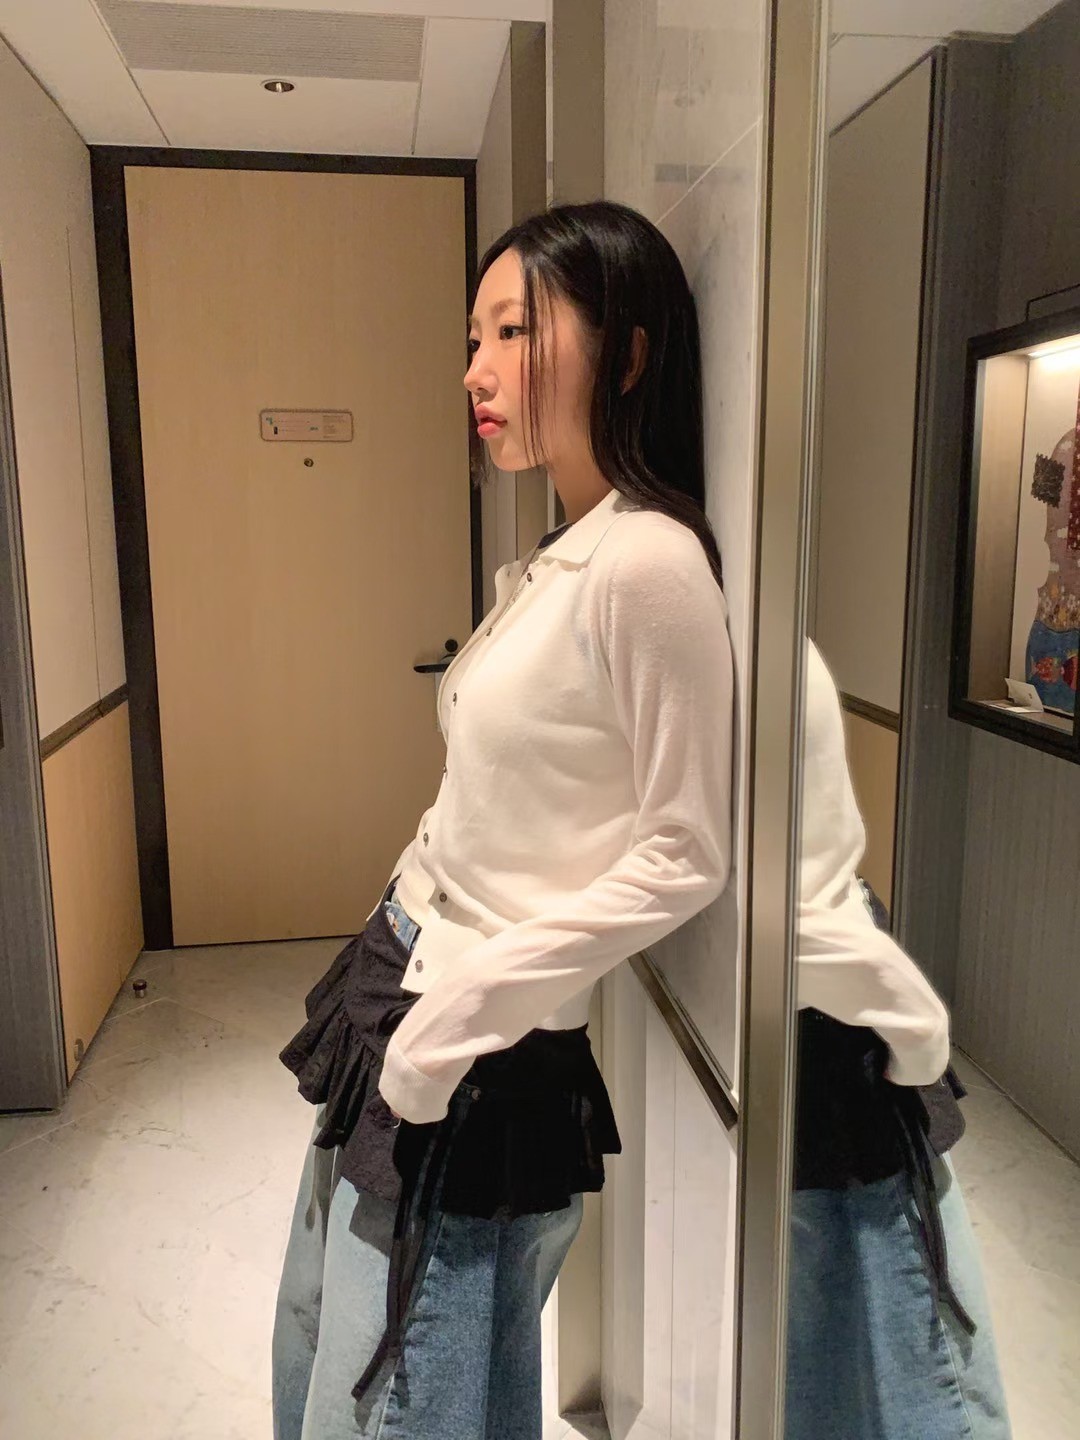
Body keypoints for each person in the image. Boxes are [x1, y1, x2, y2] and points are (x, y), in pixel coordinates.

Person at [272, 201, 734, 1440]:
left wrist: (463, 1012)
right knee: (323, 1333)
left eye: (513, 330)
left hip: (477, 1034)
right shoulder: (567, 550)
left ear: (627, 354)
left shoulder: (648, 563)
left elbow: (687, 852)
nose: (476, 370)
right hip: (409, 977)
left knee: (399, 1396)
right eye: (473, 337)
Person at [788, 638, 1012, 1440]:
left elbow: (799, 899)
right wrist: (916, 1038)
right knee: (841, 1328)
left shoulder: (748, 643)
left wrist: (916, 1038)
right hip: (818, 1015)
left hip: (837, 1023)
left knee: (896, 1341)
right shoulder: (734, 636)